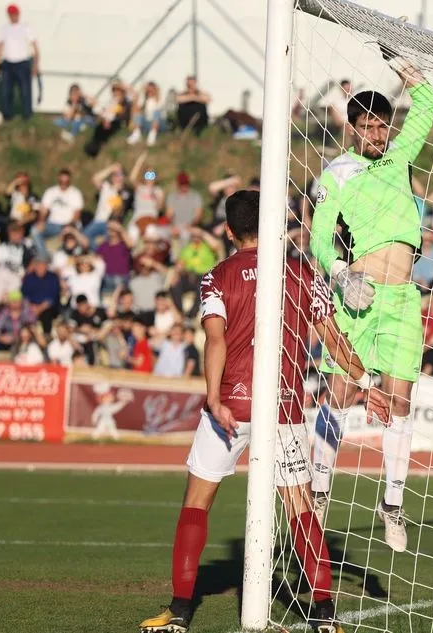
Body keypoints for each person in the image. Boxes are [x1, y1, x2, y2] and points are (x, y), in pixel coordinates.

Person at [139, 190, 388, 633]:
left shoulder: (217, 276)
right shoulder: (302, 274)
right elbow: (333, 338)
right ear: (272, 223)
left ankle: (179, 611)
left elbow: (215, 340)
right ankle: (325, 614)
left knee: (197, 503)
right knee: (300, 507)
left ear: (228, 231)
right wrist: (368, 384)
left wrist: (214, 398)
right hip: (283, 407)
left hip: (229, 406)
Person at [308, 50, 433, 552]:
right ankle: (320, 490)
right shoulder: (336, 174)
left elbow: (427, 101)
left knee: (400, 402)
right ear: (352, 128)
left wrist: (401, 61)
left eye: (383, 126)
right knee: (340, 396)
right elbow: (320, 237)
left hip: (402, 298)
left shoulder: (400, 156)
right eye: (368, 127)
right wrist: (340, 272)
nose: (377, 134)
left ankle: (392, 504)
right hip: (358, 296)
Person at [0, 3, 40, 121]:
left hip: (22, 63)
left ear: (18, 14)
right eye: (11, 14)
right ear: (8, 15)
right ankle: (7, 115)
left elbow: (35, 47)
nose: (13, 16)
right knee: (6, 91)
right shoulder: (4, 29)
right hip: (8, 64)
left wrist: (35, 65)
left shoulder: (26, 28)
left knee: (25, 91)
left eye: (15, 14)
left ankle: (27, 115)